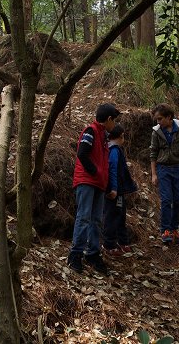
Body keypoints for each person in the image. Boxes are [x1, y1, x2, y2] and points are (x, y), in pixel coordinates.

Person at [67, 103, 121, 274]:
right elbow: (82, 153)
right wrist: (94, 172)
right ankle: (75, 254)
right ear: (109, 119)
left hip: (99, 184)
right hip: (87, 182)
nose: (115, 125)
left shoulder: (103, 137)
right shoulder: (91, 131)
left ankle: (93, 253)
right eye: (114, 121)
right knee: (83, 217)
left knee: (97, 219)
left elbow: (104, 164)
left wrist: (107, 185)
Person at [149, 103, 179, 244]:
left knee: (178, 200)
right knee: (167, 199)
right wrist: (154, 174)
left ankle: (174, 229)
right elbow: (153, 153)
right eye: (157, 119)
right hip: (163, 169)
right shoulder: (156, 132)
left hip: (178, 168)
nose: (158, 122)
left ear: (169, 117)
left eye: (160, 119)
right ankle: (165, 230)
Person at [102, 124, 138, 256]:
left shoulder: (114, 150)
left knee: (120, 216)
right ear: (121, 136)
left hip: (119, 191)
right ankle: (109, 244)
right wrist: (114, 188)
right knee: (112, 216)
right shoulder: (114, 151)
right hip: (114, 192)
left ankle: (123, 242)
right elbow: (113, 170)